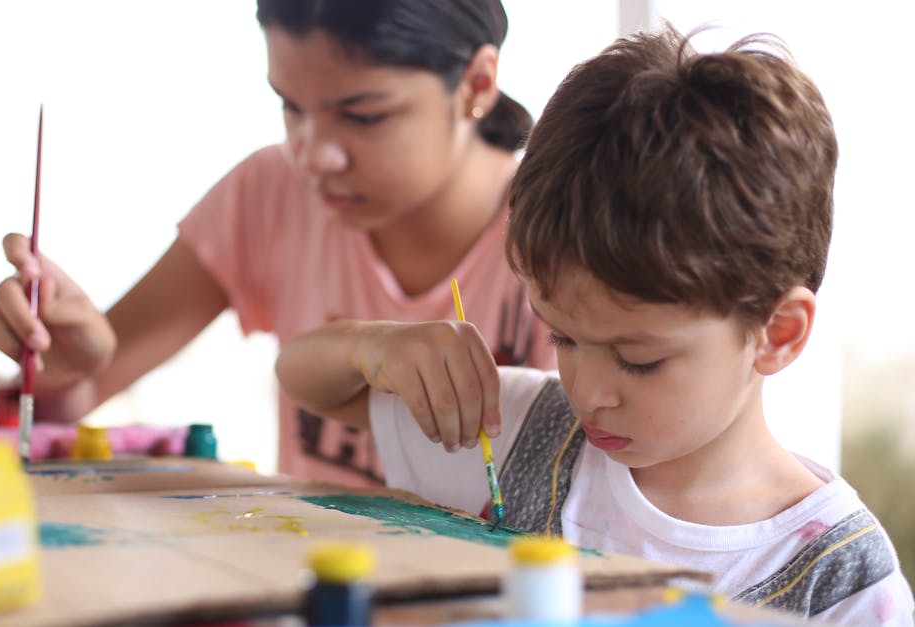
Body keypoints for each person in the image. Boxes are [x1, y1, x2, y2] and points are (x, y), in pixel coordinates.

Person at [274, 25, 914, 624]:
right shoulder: (526, 436)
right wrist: (376, 344)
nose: (588, 391)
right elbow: (308, 382)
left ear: (778, 332)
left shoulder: (844, 581)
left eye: (639, 359)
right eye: (563, 338)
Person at [0, 0, 556, 487]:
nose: (314, 156)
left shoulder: (567, 235)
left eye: (363, 116)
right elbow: (64, 411)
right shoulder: (271, 192)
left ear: (477, 84)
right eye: (291, 107)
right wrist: (60, 372)